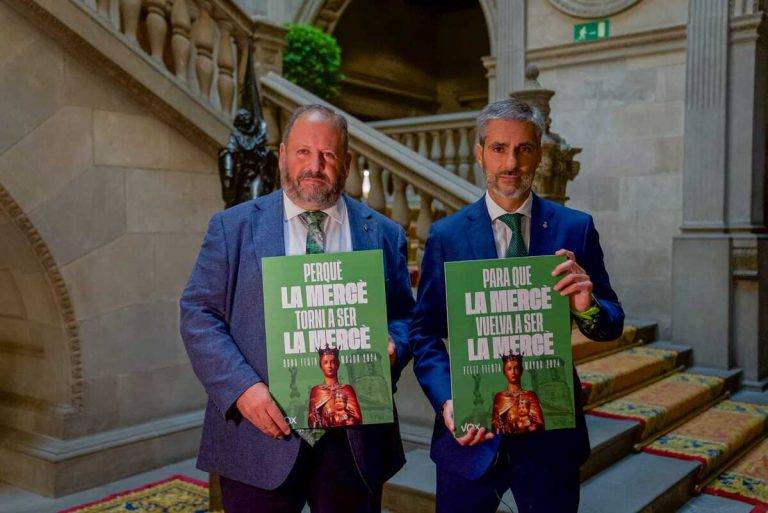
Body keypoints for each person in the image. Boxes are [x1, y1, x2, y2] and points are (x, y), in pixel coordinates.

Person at [180, 104, 414, 513]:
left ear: (346, 161)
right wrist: (241, 389)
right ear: (283, 154)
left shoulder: (383, 234)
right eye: (304, 152)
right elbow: (198, 314)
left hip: (353, 441)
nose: (315, 166)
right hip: (259, 432)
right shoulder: (232, 228)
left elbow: (406, 316)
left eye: (328, 154)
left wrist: (394, 343)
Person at [409, 97, 624, 513]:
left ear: (539, 154)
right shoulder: (447, 236)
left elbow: (611, 322)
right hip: (469, 434)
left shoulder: (574, 228)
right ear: (480, 154)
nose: (511, 162)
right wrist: (446, 399)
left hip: (550, 436)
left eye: (524, 148)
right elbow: (424, 332)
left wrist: (586, 303)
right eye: (498, 148)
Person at [308, 346, 363, 428]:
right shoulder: (316, 390)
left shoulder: (347, 389)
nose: (329, 366)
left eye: (333, 362)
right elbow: (311, 421)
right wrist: (315, 418)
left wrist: (344, 417)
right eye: (325, 362)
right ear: (321, 366)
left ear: (338, 364)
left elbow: (357, 418)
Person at [491, 353, 544, 435]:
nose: (513, 372)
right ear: (504, 372)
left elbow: (540, 424)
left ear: (521, 371)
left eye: (516, 368)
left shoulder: (530, 395)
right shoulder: (499, 397)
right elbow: (495, 427)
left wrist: (526, 425)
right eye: (509, 369)